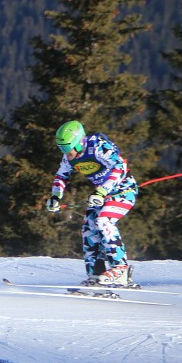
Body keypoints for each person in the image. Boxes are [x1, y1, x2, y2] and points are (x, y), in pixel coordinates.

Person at [45, 121, 139, 286]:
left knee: (104, 221)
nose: (66, 153)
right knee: (88, 228)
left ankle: (120, 269)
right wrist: (55, 196)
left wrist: (103, 190)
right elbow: (61, 176)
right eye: (61, 148)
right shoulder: (70, 158)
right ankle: (96, 273)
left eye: (67, 148)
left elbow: (119, 167)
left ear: (79, 143)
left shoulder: (97, 147)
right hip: (100, 195)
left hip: (123, 191)